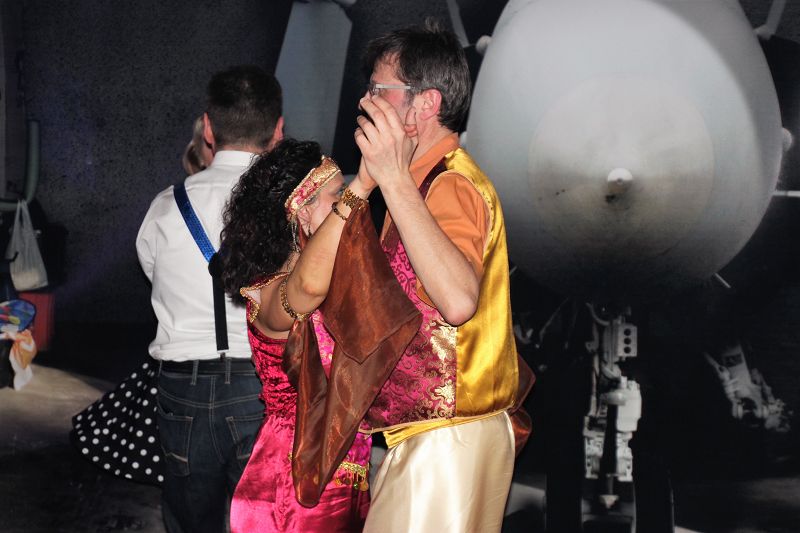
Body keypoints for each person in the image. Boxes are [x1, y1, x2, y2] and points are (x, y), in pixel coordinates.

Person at [352, 22, 529, 532]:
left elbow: (457, 300)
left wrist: (392, 180)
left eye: (380, 89)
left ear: (425, 104)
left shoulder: (449, 183)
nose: (366, 101)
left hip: (446, 438)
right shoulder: (421, 182)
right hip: (436, 433)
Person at [136, 65, 284, 533]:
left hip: (183, 390)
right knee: (259, 521)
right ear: (278, 131)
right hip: (261, 387)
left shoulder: (165, 205)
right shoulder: (290, 207)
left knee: (189, 520)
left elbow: (153, 276)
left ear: (208, 127)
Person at [219, 139, 374, 532]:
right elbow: (306, 287)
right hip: (294, 475)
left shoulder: (337, 279)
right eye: (337, 195)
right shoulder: (271, 290)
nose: (348, 204)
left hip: (340, 469)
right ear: (303, 210)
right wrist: (361, 187)